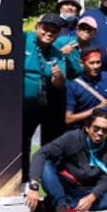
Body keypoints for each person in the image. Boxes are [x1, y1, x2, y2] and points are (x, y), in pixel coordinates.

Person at [26, 108, 107, 212]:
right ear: (87, 127)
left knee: (106, 199)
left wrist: (91, 198)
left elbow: (106, 180)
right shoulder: (72, 138)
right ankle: (62, 207)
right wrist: (34, 186)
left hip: (84, 189)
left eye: (105, 130)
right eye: (96, 128)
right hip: (63, 183)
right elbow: (41, 154)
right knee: (45, 163)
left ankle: (52, 204)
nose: (100, 133)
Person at [23, 13, 67, 181]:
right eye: (45, 29)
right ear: (38, 27)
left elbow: (58, 83)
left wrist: (57, 75)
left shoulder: (57, 53)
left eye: (53, 31)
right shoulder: (23, 39)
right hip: (15, 104)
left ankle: (29, 178)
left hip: (39, 106)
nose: (48, 33)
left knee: (29, 142)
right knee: (16, 142)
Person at [64, 47, 107, 128]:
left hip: (105, 129)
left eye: (98, 62)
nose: (96, 66)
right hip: (83, 128)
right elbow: (69, 119)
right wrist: (97, 109)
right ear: (82, 63)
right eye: (91, 63)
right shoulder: (74, 86)